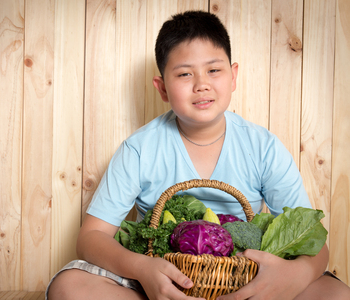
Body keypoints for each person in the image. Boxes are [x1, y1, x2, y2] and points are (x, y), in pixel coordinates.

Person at [47, 10, 350, 300]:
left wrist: (293, 276)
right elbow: (91, 237)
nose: (201, 84)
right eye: (184, 74)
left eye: (214, 70)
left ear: (233, 76)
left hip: (245, 280)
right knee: (69, 286)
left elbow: (315, 240)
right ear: (162, 88)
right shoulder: (139, 149)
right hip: (158, 280)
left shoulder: (263, 147)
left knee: (338, 294)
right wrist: (142, 269)